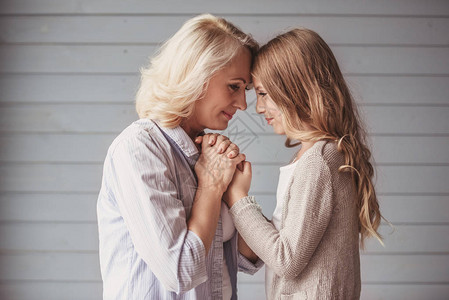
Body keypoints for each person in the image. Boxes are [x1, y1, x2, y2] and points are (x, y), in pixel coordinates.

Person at [97, 14, 261, 300]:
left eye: (245, 89)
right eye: (234, 86)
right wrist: (211, 185)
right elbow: (180, 271)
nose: (243, 104)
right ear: (196, 75)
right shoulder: (139, 148)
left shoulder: (209, 154)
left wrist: (236, 194)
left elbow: (247, 258)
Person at [223, 28, 384, 299]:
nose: (259, 108)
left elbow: (286, 258)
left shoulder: (318, 162)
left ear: (294, 89)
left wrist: (238, 198)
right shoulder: (318, 156)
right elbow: (289, 241)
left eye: (263, 93)